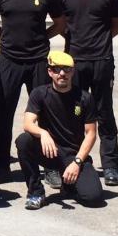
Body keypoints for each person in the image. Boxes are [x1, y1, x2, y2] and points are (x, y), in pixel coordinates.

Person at [0, 0, 65, 184]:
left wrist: (43, 38)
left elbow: (60, 24)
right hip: (9, 61)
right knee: (5, 113)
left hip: (39, 60)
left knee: (45, 114)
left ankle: (50, 166)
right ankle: (0, 165)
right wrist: (5, 36)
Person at [55, 0, 118, 187]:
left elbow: (117, 24)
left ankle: (111, 165)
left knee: (105, 112)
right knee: (73, 113)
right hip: (73, 62)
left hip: (102, 61)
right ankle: (75, 161)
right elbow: (61, 26)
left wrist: (100, 41)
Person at [15, 51, 103, 210]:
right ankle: (35, 192)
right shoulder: (39, 93)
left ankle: (69, 186)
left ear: (73, 71)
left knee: (93, 198)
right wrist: (43, 133)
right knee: (24, 140)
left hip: (73, 155)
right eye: (56, 69)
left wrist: (77, 162)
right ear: (49, 72)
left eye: (67, 69)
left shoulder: (84, 98)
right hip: (49, 151)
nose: (62, 73)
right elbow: (28, 123)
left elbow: (91, 133)